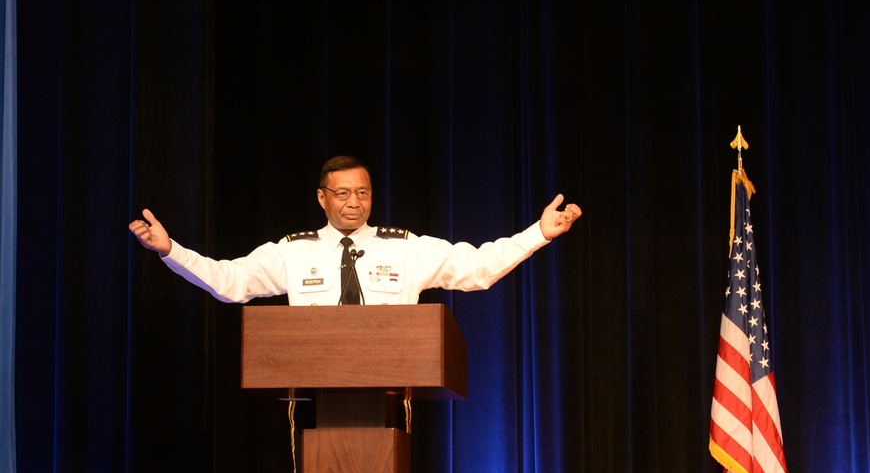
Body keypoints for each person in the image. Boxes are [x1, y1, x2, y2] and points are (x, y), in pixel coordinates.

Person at [128, 155, 582, 305]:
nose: (354, 203)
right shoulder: (292, 252)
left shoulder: (405, 248)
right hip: (315, 388)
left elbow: (478, 267)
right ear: (322, 198)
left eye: (362, 193)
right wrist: (172, 251)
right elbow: (229, 282)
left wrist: (538, 233)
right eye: (343, 194)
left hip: (391, 388)